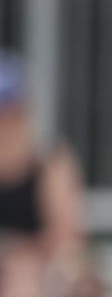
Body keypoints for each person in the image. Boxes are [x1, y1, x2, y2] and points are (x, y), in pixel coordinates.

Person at [0, 52, 86, 267]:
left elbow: (68, 240)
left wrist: (20, 256)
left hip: (38, 277)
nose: (6, 123)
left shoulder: (49, 164)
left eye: (11, 112)